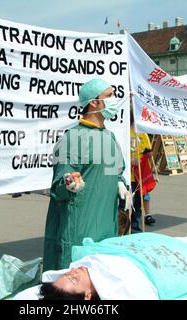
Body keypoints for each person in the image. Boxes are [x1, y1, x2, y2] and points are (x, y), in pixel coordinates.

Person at [42, 79, 131, 272]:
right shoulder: (72, 138)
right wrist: (69, 182)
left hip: (107, 225)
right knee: (76, 282)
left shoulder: (108, 137)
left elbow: (113, 172)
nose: (114, 100)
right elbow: (59, 186)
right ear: (94, 102)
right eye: (109, 96)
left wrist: (120, 183)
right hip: (80, 229)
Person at [39, 232, 187, 300]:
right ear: (87, 295)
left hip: (125, 252)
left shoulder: (87, 264)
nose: (73, 271)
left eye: (67, 274)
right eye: (73, 279)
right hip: (147, 268)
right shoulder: (117, 290)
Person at [130, 110, 155, 231]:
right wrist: (131, 161)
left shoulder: (143, 134)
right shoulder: (124, 133)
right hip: (126, 176)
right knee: (123, 206)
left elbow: (148, 151)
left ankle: (136, 230)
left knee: (137, 204)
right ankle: (122, 229)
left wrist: (149, 154)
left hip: (140, 176)